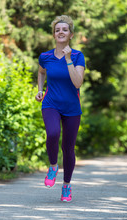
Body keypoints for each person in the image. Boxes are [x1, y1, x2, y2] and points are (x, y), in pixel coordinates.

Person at [35, 15, 85, 202]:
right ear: (54, 35)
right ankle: (53, 165)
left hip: (72, 107)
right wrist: (40, 90)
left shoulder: (78, 56)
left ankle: (66, 186)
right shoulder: (45, 57)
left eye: (65, 29)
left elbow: (78, 82)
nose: (61, 32)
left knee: (68, 148)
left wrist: (68, 58)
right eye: (58, 30)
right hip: (51, 103)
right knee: (53, 133)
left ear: (70, 34)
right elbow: (41, 72)